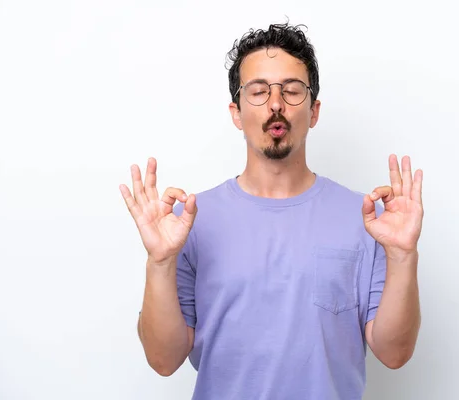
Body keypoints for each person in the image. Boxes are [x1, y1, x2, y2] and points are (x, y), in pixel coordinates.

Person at [119, 22, 424, 400]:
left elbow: (394, 353)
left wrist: (403, 255)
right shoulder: (188, 222)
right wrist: (160, 261)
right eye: (259, 91)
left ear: (313, 111)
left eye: (292, 91)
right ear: (236, 111)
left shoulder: (367, 219)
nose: (276, 104)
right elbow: (163, 360)